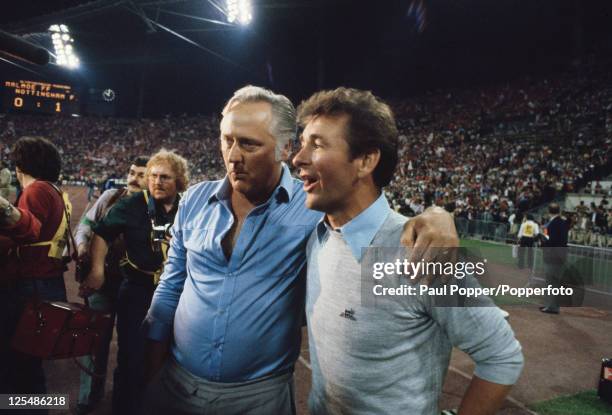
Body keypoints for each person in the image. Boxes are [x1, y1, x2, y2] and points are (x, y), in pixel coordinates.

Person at [142, 85, 460, 415]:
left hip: (259, 396)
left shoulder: (313, 208)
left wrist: (435, 216)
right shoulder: (193, 200)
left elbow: (368, 217)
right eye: (227, 139)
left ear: (284, 148)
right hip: (175, 382)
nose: (233, 156)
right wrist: (152, 376)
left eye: (249, 143)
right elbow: (170, 288)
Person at [292, 87, 523, 415]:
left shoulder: (422, 252)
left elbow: (501, 355)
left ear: (366, 161)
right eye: (302, 144)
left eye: (316, 144)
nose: (298, 158)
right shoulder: (319, 237)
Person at [79, 149, 188, 414]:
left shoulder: (188, 204)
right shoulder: (132, 204)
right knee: (131, 359)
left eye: (165, 177)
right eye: (153, 176)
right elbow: (102, 232)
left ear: (180, 181)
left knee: (172, 358)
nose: (157, 182)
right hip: (137, 291)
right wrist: (96, 271)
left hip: (177, 293)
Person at [73, 156, 149, 415]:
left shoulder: (156, 206)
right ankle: (88, 397)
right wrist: (83, 245)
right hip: (103, 283)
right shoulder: (110, 197)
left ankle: (121, 401)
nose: (133, 178)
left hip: (137, 288)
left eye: (141, 174)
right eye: (131, 172)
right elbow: (85, 224)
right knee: (94, 342)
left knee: (131, 348)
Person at [0, 136, 70, 399]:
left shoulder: (36, 190)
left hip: (28, 285)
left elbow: (28, 232)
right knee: (28, 365)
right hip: (46, 283)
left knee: (16, 365)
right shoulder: (53, 190)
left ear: (20, 166)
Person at [540, 202, 570, 314]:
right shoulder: (562, 222)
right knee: (555, 282)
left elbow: (550, 240)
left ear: (549, 211)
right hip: (560, 255)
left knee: (551, 281)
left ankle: (551, 306)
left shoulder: (553, 224)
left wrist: (542, 239)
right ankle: (552, 305)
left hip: (553, 255)